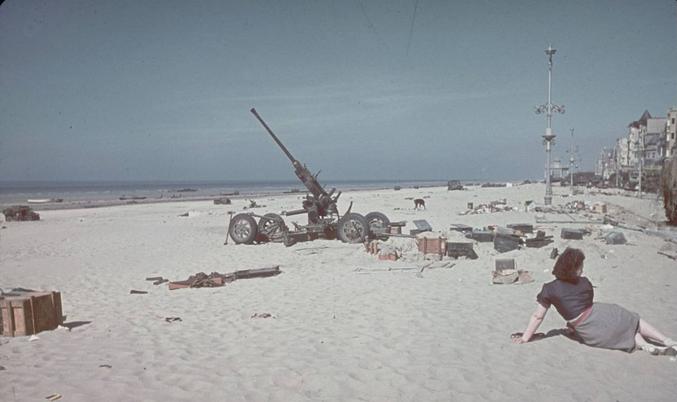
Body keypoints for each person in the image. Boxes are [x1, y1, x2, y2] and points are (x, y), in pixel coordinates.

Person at [512, 247, 676, 354]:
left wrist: (526, 337)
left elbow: (538, 317)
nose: (582, 269)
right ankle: (665, 340)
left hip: (588, 331)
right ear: (575, 268)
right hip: (599, 314)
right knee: (633, 320)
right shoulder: (585, 282)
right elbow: (588, 303)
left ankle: (644, 345)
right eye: (580, 266)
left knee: (623, 330)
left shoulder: (549, 289)